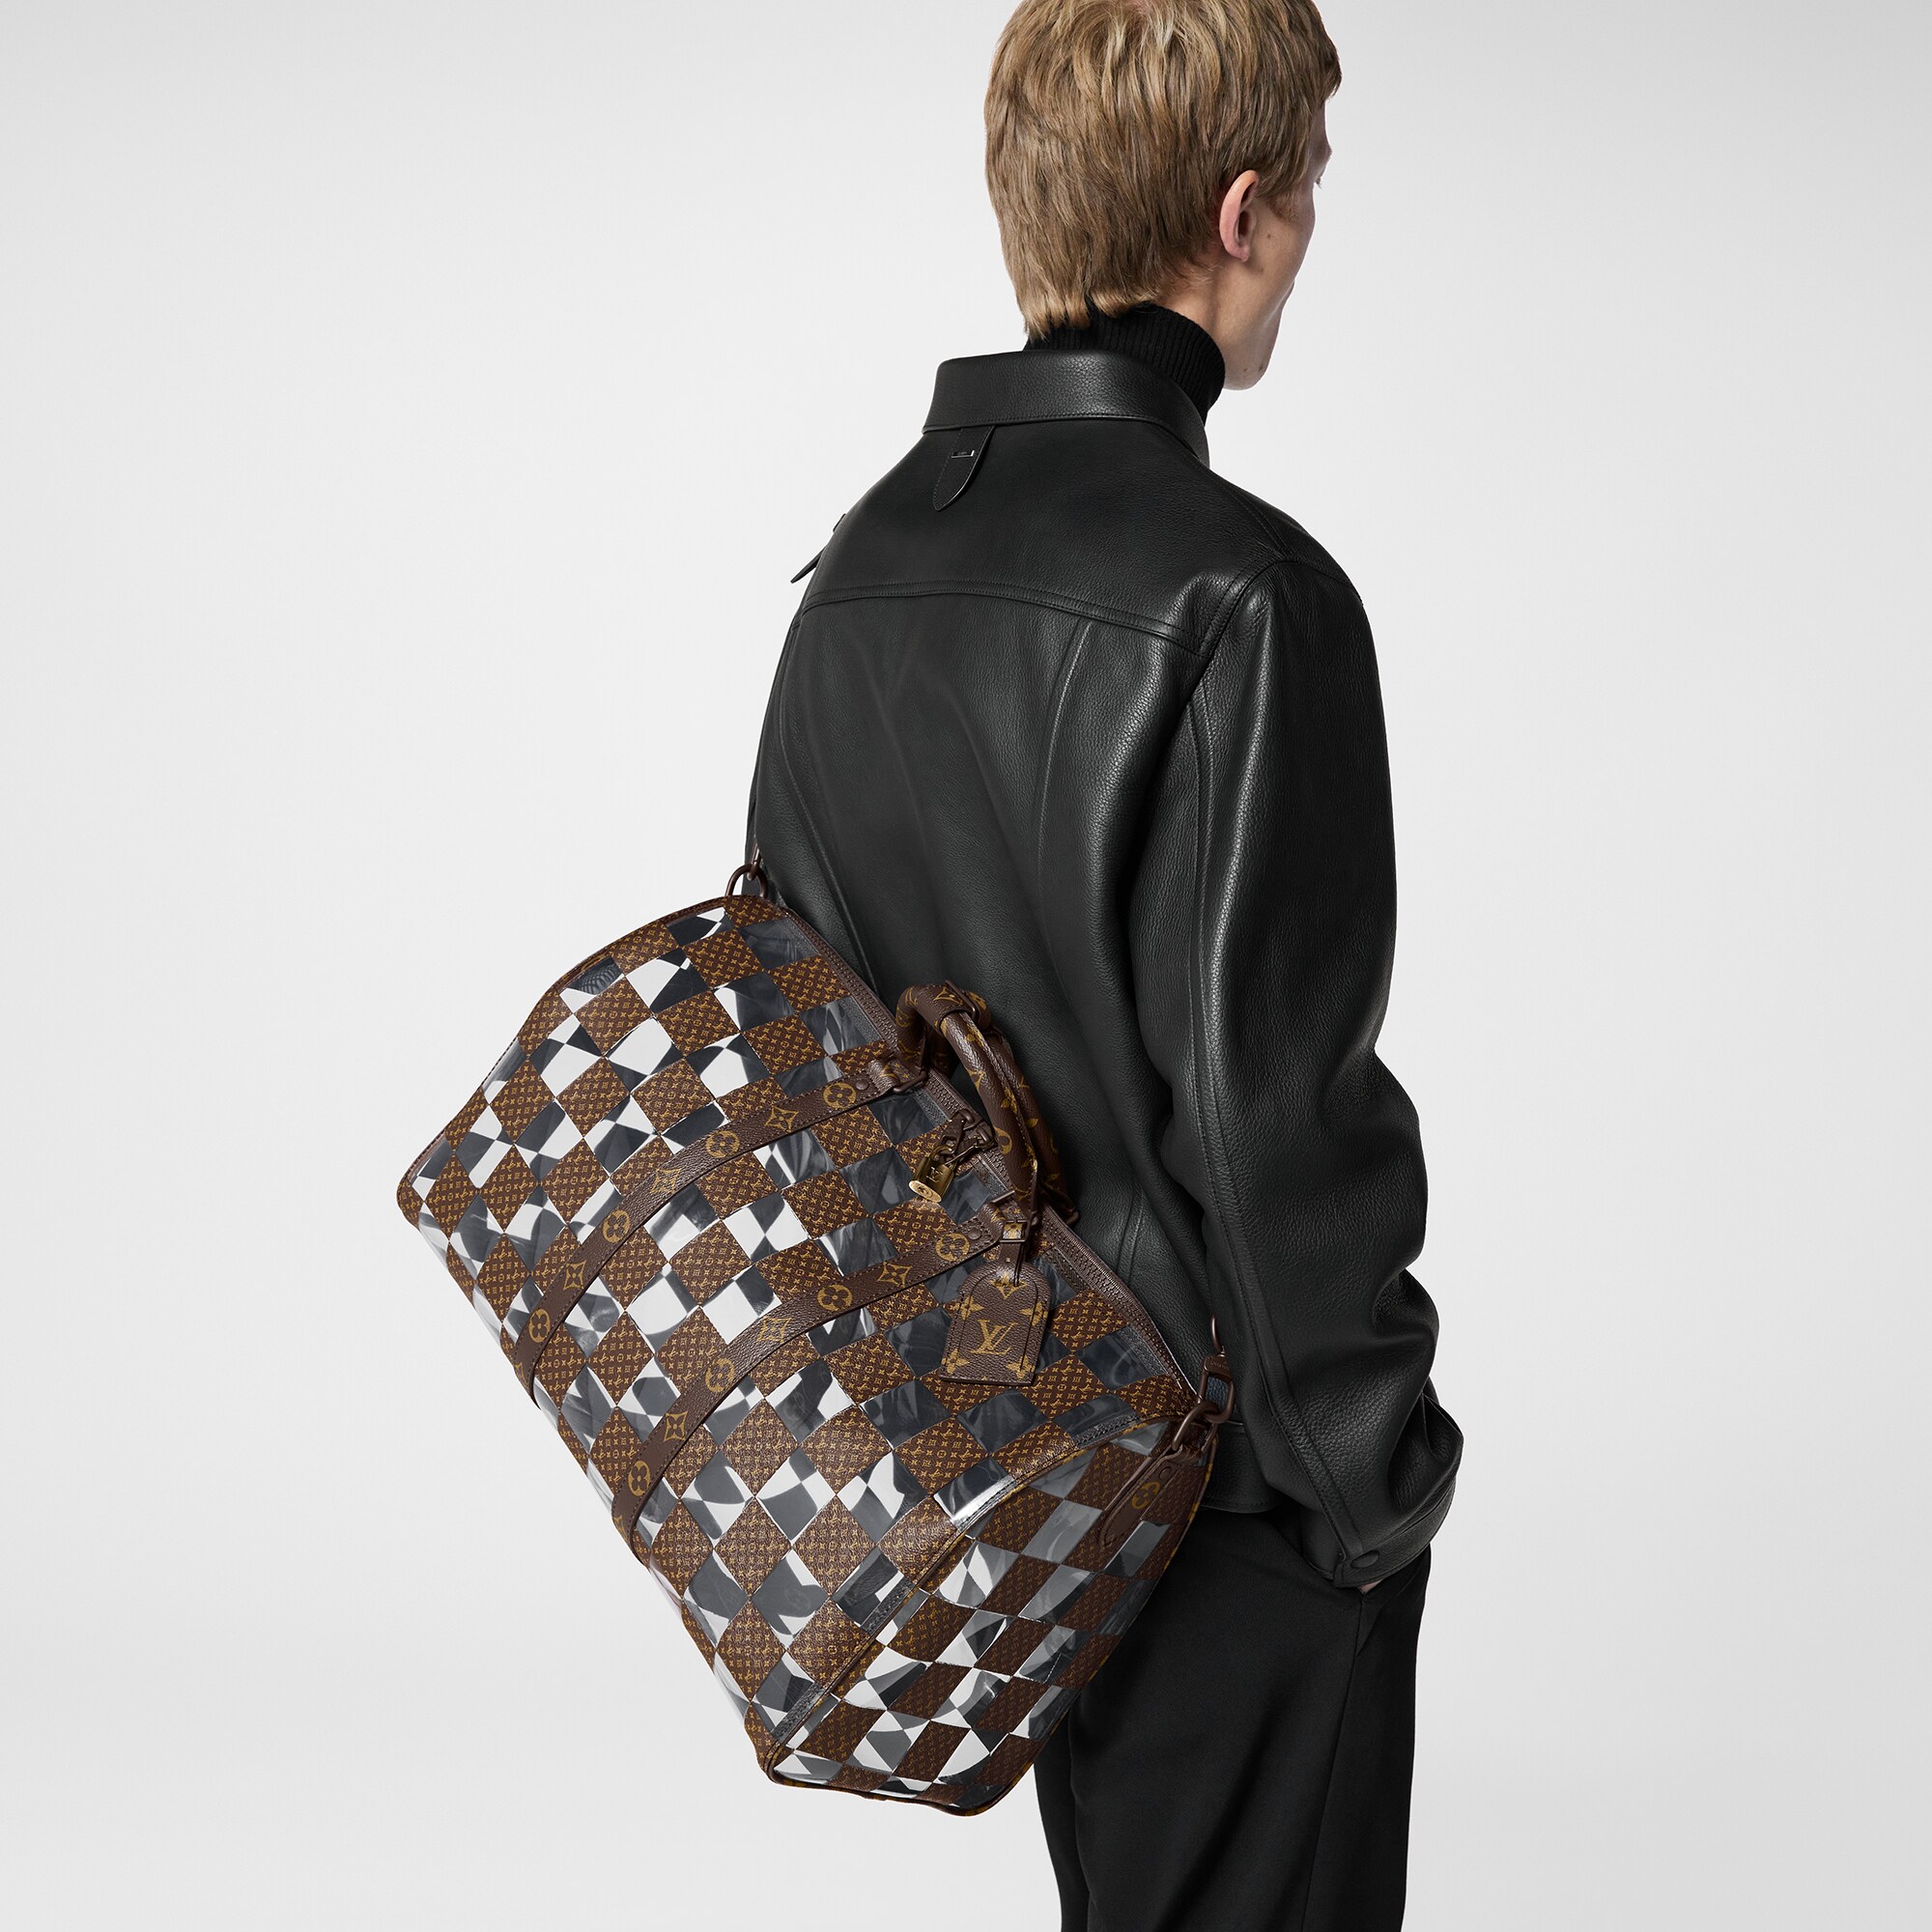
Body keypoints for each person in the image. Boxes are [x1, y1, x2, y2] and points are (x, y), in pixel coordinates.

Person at [747, 2, 1460, 1924]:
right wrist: (1374, 1482)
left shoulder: (854, 578)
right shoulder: (1243, 592)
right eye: (1306, 196)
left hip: (1007, 1479)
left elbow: (809, 1056)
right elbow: (1267, 1118)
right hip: (1239, 1494)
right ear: (1240, 212)